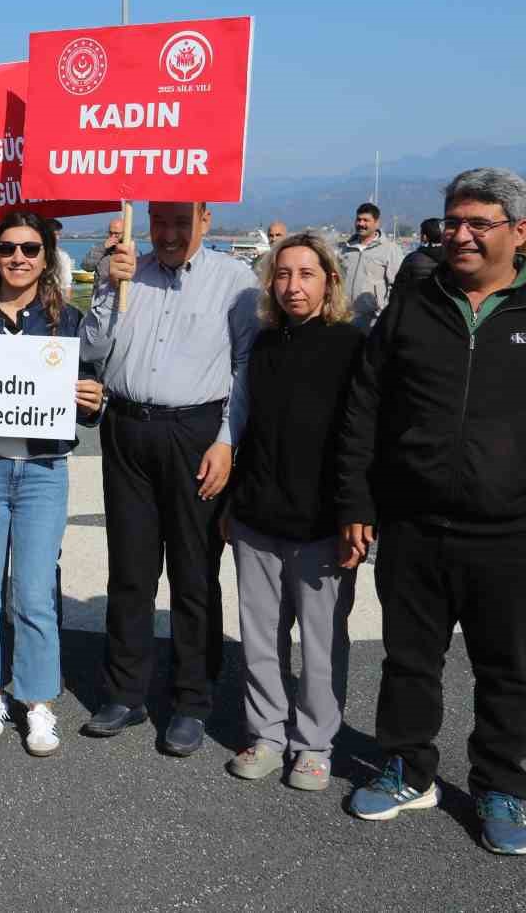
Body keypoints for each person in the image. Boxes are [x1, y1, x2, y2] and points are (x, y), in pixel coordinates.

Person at [340, 168, 526, 856]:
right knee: (409, 661)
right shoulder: (414, 303)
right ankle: (407, 768)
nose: (461, 235)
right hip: (413, 523)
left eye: (479, 223)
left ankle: (501, 784)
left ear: (519, 232)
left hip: (509, 532)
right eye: (453, 222)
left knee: (508, 669)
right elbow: (365, 406)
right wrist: (357, 499)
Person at [79, 202, 261, 755]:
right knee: (130, 570)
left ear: (205, 220)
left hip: (196, 433)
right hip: (127, 429)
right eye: (160, 221)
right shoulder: (125, 272)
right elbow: (91, 350)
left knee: (194, 572)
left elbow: (247, 367)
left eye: (183, 221)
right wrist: (107, 289)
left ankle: (191, 700)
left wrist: (227, 441)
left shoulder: (234, 280)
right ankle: (125, 692)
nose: (169, 233)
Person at [0, 211, 104, 756]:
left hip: (42, 473)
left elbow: (88, 396)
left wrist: (94, 401)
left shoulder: (69, 321)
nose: (18, 257)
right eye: (8, 247)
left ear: (46, 256)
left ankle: (38, 702)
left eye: (30, 249)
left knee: (35, 593)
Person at [222, 233, 363, 790]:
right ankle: (267, 733)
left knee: (322, 642)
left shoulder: (351, 345)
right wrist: (234, 501)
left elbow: (360, 436)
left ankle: (314, 743)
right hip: (258, 514)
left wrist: (356, 512)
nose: (293, 286)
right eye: (282, 275)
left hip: (322, 522)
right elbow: (249, 428)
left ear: (330, 280)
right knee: (260, 636)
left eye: (306, 274)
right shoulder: (262, 344)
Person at [338, 202, 404, 328]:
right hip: (345, 317)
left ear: (377, 223)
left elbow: (398, 285)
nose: (361, 224)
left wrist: (384, 311)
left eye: (366, 220)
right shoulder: (346, 249)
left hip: (373, 321)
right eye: (358, 219)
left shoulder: (390, 249)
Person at [391, 217, 444, 297]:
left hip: (418, 302)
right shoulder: (453, 259)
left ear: (424, 237)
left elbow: (398, 288)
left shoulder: (412, 259)